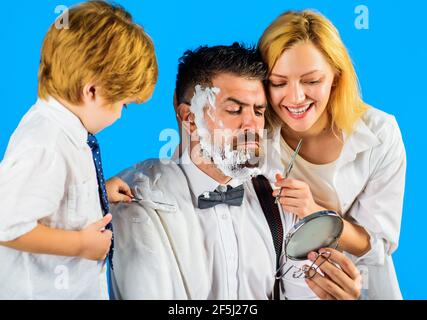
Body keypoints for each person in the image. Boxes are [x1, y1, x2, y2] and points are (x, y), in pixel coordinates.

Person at [110, 43, 361, 300]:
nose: (253, 124)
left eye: (259, 111)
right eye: (234, 110)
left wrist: (332, 293)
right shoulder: (138, 198)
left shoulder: (279, 201)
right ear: (190, 119)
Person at [0, 0, 157, 299]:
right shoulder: (46, 142)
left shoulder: (67, 132)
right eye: (123, 104)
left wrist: (98, 192)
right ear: (92, 91)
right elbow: (6, 224)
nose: (121, 115)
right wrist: (80, 245)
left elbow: (54, 198)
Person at [258, 10, 406, 299]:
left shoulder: (380, 134)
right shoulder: (253, 132)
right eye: (279, 83)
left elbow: (376, 245)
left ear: (336, 77)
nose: (296, 97)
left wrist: (315, 213)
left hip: (356, 289)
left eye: (311, 81)